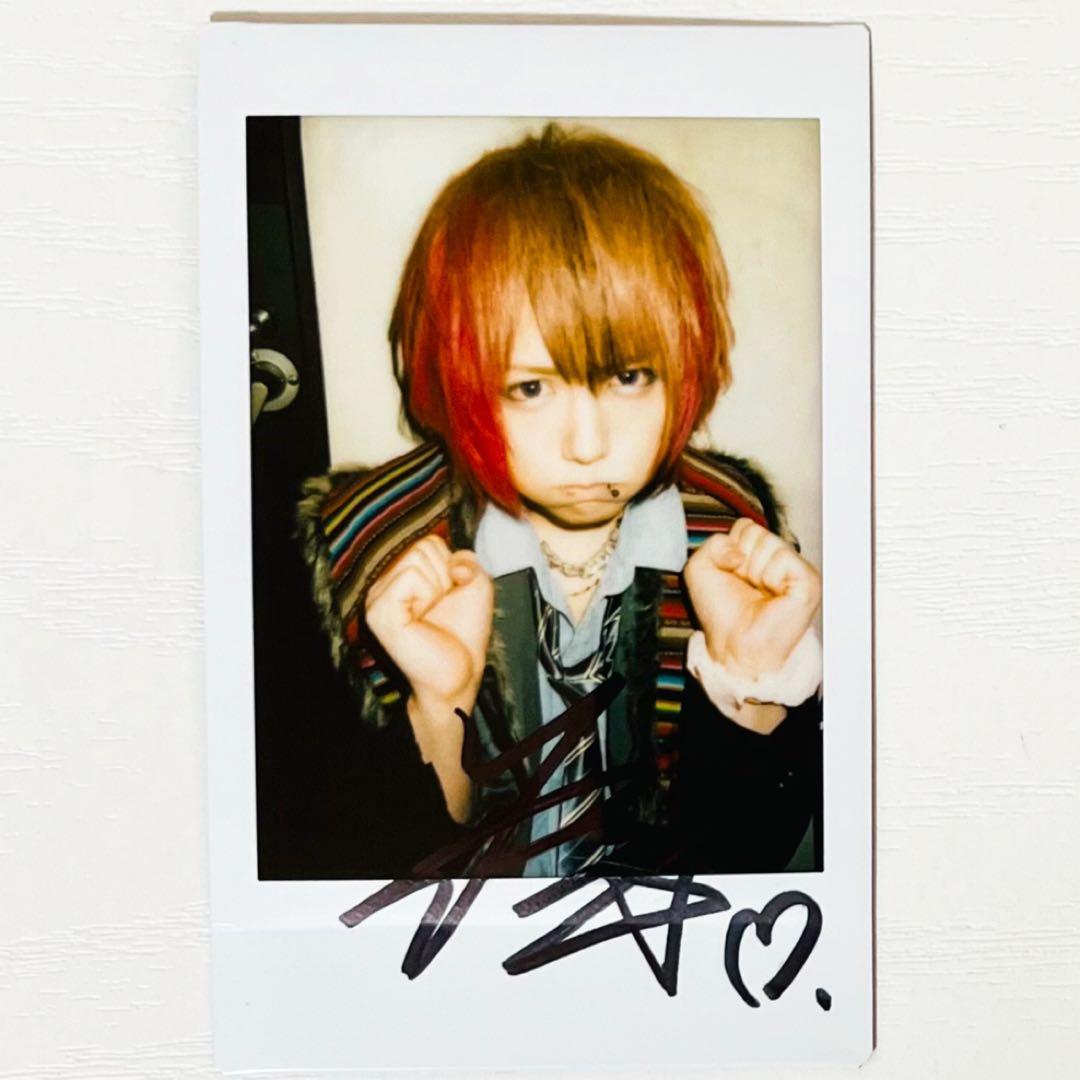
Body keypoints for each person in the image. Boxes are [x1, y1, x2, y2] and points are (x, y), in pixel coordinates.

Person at [299, 123, 823, 877]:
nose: (588, 443)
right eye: (531, 388)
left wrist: (746, 681)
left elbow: (750, 865)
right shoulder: (367, 548)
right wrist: (439, 707)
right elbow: (364, 887)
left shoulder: (729, 532)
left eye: (629, 377)